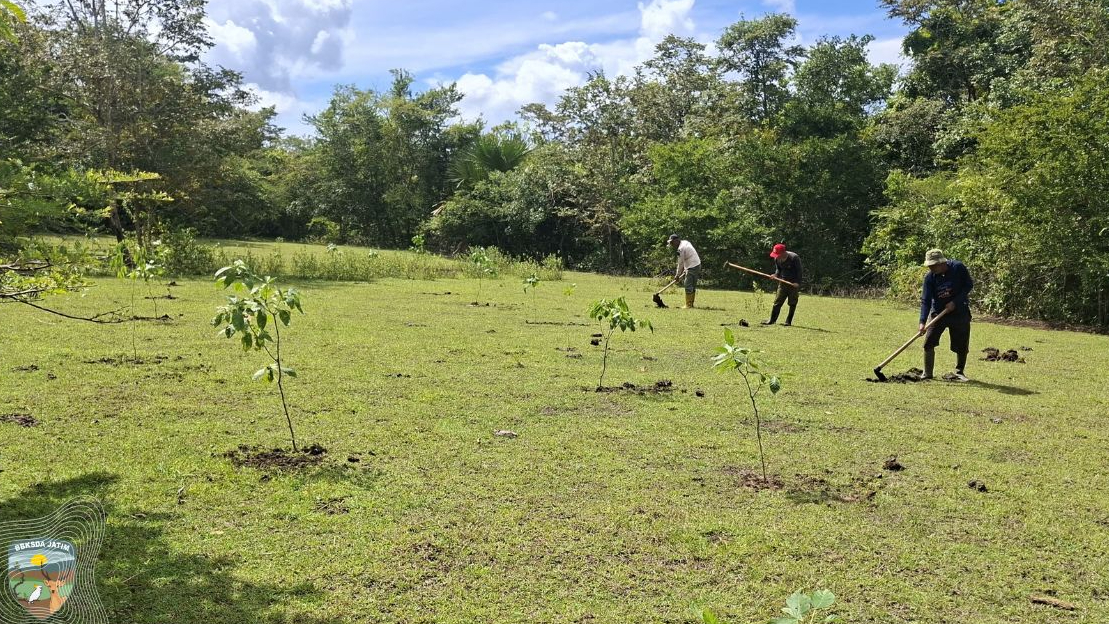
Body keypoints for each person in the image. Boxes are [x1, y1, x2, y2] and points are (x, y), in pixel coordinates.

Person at [918, 249, 973, 381]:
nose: (931, 268)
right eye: (929, 266)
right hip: (938, 313)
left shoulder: (958, 268)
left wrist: (955, 302)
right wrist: (922, 322)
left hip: (960, 312)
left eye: (933, 265)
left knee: (961, 344)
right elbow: (926, 300)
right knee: (929, 342)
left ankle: (959, 372)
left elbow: (968, 285)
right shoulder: (930, 278)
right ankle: (927, 373)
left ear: (941, 263)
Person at [762, 243, 801, 326]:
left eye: (778, 254)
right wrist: (775, 275)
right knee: (777, 302)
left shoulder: (794, 258)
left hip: (793, 283)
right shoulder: (777, 259)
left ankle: (788, 321)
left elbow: (799, 272)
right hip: (783, 282)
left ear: (783, 253)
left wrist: (797, 282)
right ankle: (772, 320)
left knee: (792, 303)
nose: (776, 256)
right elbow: (778, 270)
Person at [667, 234, 701, 308]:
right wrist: (686, 269)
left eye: (672, 242)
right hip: (697, 264)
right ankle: (691, 304)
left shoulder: (681, 249)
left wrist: (677, 275)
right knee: (692, 285)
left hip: (692, 266)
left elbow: (680, 263)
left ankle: (688, 305)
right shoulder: (685, 242)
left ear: (676, 240)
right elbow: (688, 257)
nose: (672, 245)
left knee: (688, 285)